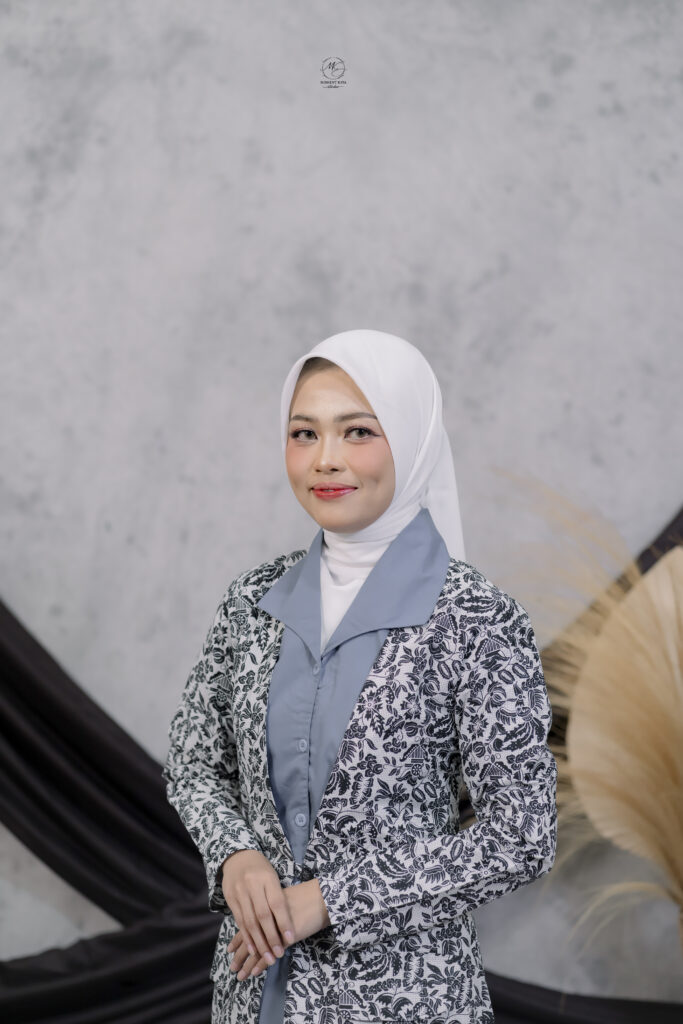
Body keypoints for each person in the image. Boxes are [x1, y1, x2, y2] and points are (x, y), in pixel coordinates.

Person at [162, 329, 558, 1024]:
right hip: (256, 994)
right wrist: (235, 855)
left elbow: (522, 835)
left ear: (410, 439)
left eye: (358, 431)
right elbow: (194, 763)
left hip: (408, 997)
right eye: (303, 433)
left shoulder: (476, 617)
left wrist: (332, 899)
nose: (326, 459)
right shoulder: (251, 601)